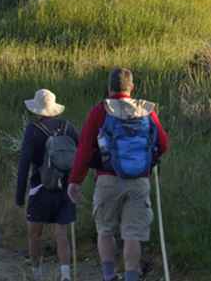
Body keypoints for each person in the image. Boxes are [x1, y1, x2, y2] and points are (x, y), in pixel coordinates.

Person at [68, 69, 169, 281]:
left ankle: (109, 276)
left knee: (105, 230)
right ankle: (131, 277)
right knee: (132, 234)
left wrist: (75, 181)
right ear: (131, 87)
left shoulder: (101, 110)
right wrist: (148, 163)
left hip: (107, 180)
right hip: (139, 182)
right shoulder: (146, 110)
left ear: (109, 87)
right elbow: (163, 144)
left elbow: (85, 148)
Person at [16, 89, 79, 281]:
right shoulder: (68, 127)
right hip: (65, 188)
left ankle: (37, 274)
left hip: (40, 187)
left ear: (36, 109)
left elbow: (24, 163)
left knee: (35, 234)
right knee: (61, 233)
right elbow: (81, 153)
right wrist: (76, 182)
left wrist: (19, 195)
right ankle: (66, 275)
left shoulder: (33, 130)